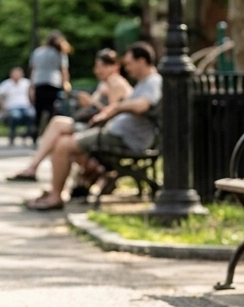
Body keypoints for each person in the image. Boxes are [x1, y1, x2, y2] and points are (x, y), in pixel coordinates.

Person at [25, 42, 161, 211]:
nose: (127, 68)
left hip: (124, 139)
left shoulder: (153, 82)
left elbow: (142, 105)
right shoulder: (144, 82)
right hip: (116, 134)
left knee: (63, 144)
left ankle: (54, 195)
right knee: (61, 135)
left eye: (129, 63)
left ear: (141, 61)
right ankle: (53, 188)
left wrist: (117, 107)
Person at [6, 48, 131, 183]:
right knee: (58, 134)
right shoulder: (105, 83)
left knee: (58, 125)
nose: (97, 70)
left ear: (115, 66)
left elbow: (112, 113)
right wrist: (88, 104)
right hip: (96, 127)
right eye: (97, 66)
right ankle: (49, 176)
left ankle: (35, 170)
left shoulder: (115, 82)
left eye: (102, 66)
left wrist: (93, 103)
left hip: (105, 130)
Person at [29, 31, 71, 133]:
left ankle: (36, 129)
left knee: (39, 109)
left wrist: (31, 86)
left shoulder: (37, 52)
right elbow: (64, 70)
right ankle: (51, 131)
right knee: (53, 109)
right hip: (54, 83)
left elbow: (33, 69)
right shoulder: (60, 53)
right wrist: (66, 83)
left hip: (39, 82)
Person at [0, 66, 36, 146]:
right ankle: (12, 135)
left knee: (31, 115)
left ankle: (26, 134)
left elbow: (32, 95)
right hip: (12, 108)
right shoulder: (6, 84)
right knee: (15, 116)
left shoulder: (26, 83)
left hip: (25, 107)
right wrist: (3, 108)